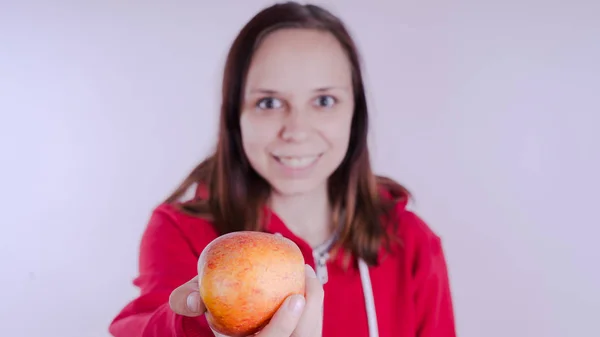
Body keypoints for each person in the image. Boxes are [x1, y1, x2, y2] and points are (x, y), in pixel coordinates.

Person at [108, 2, 456, 337]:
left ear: (355, 113)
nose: (296, 131)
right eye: (269, 103)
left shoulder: (412, 243)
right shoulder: (179, 230)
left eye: (323, 101)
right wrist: (199, 326)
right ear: (236, 117)